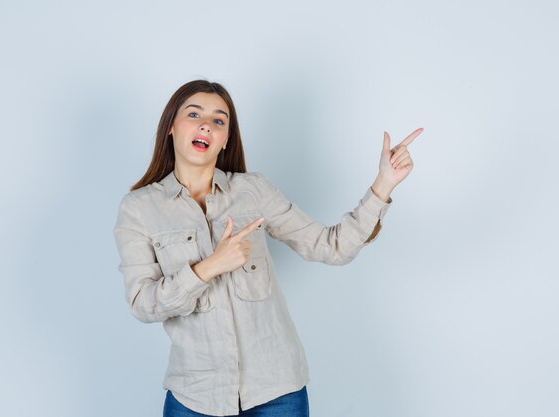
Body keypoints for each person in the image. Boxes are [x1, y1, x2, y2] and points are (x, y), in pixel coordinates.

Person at [113, 79, 423, 417]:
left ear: (225, 139)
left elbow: (331, 246)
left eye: (219, 120)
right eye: (194, 114)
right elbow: (143, 304)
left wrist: (383, 185)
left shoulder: (253, 191)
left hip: (277, 393)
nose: (207, 124)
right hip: (195, 398)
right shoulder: (139, 209)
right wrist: (210, 266)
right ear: (171, 126)